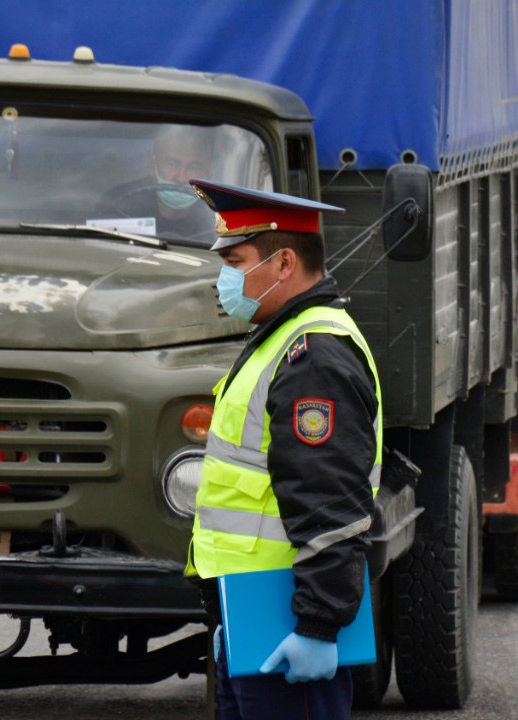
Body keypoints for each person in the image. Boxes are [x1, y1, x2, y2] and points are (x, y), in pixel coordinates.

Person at [184, 179, 381, 720]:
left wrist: (317, 624)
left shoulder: (312, 355)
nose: (224, 278)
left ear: (284, 263)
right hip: (254, 617)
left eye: (235, 261)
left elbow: (329, 499)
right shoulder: (281, 339)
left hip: (288, 627)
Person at [94, 125, 217, 241]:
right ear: (152, 165)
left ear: (209, 171)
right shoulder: (116, 205)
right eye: (171, 164)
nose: (181, 178)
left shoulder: (217, 217)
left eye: (194, 167)